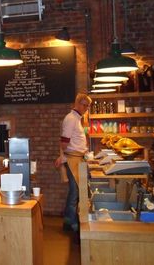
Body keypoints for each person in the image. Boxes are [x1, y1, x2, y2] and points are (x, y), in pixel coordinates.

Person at [54, 93, 92, 233]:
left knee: (75, 191)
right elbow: (64, 142)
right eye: (84, 105)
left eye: (88, 106)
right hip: (73, 159)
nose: (86, 108)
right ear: (78, 103)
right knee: (75, 192)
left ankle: (69, 221)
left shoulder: (77, 119)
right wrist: (63, 157)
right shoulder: (71, 119)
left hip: (77, 158)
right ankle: (71, 224)